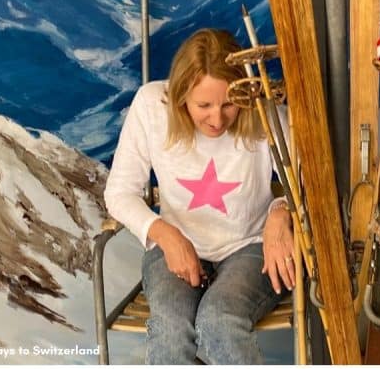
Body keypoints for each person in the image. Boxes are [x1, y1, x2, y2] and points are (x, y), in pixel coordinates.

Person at [104, 28, 295, 364]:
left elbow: (308, 181)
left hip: (249, 246)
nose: (217, 118)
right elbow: (119, 192)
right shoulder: (151, 105)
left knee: (218, 320)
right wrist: (165, 234)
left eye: (228, 104)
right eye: (203, 105)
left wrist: (280, 213)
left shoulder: (261, 106)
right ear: (180, 97)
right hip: (175, 246)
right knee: (171, 327)